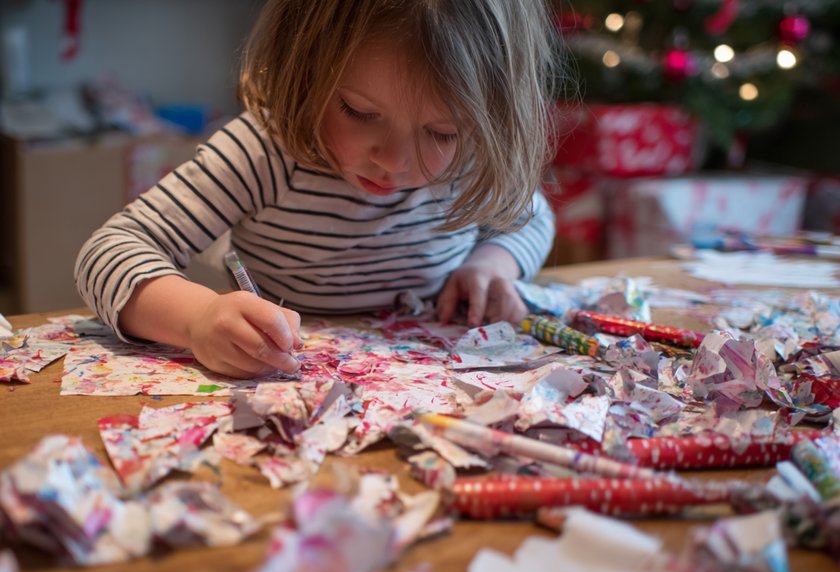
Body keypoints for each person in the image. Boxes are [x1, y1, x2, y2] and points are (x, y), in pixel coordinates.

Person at [75, 0, 564, 379]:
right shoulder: (266, 149)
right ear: (304, 68)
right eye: (359, 112)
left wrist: (494, 263)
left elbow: (533, 217)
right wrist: (197, 318)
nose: (393, 160)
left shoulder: (477, 153)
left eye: (441, 133)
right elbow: (108, 252)